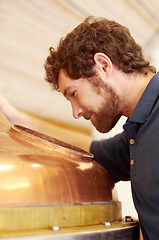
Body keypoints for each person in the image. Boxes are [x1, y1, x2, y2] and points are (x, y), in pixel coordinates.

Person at [44, 16, 159, 239]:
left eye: (73, 94)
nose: (75, 112)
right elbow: (86, 151)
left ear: (103, 66)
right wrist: (12, 117)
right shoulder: (137, 133)